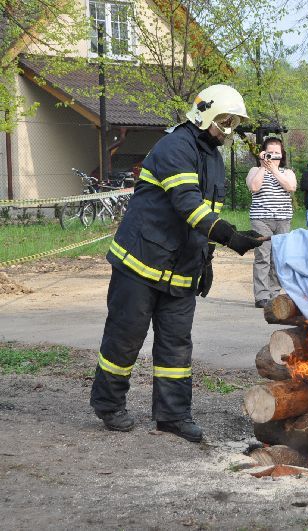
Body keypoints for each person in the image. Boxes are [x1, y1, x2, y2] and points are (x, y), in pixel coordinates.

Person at [90, 84, 263, 441]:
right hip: (140, 263)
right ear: (205, 114)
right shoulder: (174, 147)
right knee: (125, 339)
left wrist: (206, 257)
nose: (228, 129)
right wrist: (230, 237)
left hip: (182, 268)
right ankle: (109, 405)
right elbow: (188, 205)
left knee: (176, 345)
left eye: (233, 122)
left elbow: (207, 214)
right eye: (224, 121)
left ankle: (173, 415)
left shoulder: (213, 159)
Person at [248, 136, 297, 308]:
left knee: (278, 258)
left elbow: (290, 187)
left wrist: (275, 170)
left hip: (283, 219)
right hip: (261, 219)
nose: (273, 156)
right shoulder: (255, 170)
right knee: (262, 256)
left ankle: (274, 293)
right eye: (270, 153)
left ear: (282, 154)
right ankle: (261, 296)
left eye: (277, 153)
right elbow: (254, 187)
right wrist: (263, 167)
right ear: (263, 153)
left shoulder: (288, 172)